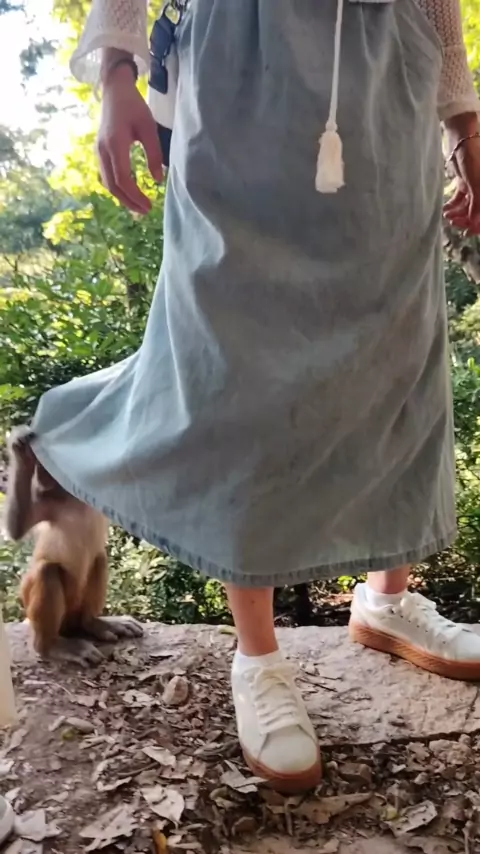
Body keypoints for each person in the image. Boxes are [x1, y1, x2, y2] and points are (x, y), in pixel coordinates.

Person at [28, 0, 480, 792]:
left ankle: (387, 603)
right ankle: (258, 656)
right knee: (240, 346)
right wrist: (117, 71)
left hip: (390, 68)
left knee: (397, 341)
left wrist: (465, 126)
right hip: (241, 61)